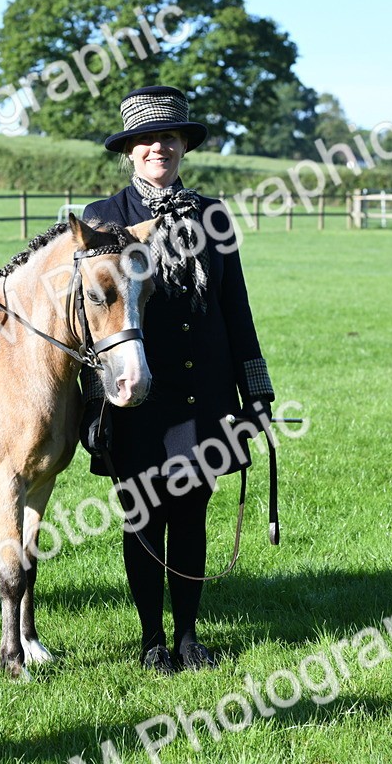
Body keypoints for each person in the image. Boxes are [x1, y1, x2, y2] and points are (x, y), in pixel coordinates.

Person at [80, 86, 275, 674]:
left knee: (191, 514)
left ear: (183, 146)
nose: (157, 148)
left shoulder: (213, 215)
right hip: (135, 392)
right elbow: (90, 321)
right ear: (129, 151)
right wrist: (91, 408)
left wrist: (256, 389)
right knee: (142, 516)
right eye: (145, 140)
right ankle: (151, 640)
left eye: (168, 137)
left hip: (203, 391)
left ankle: (188, 636)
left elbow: (236, 307)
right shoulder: (103, 219)